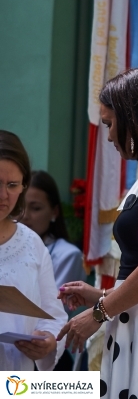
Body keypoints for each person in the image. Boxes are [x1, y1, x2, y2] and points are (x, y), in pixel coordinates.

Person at [56, 68, 138, 397]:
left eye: (110, 124)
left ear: (133, 118)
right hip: (134, 321)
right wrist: (101, 297)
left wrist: (99, 312)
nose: (108, 136)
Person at [0, 130, 67, 370]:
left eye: (12, 185)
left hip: (16, 379)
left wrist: (48, 341)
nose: (3, 195)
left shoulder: (31, 243)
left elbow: (53, 315)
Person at [20, 170, 85, 370]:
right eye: (21, 207)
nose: (25, 216)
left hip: (44, 350)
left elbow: (52, 307)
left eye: (36, 208)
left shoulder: (68, 254)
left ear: (54, 211)